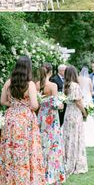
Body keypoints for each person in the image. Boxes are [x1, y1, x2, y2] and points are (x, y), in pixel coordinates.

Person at [0, 56, 46, 185]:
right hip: (25, 119)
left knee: (11, 147)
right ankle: (25, 179)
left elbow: (2, 101)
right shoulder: (29, 84)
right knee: (26, 148)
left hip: (11, 118)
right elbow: (34, 105)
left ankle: (9, 179)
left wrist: (15, 105)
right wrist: (24, 106)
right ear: (28, 68)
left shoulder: (8, 82)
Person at [36, 62, 65, 185]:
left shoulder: (37, 85)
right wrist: (62, 104)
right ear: (51, 72)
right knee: (53, 144)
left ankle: (40, 171)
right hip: (52, 119)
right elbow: (56, 104)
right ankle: (51, 173)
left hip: (41, 116)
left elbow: (36, 104)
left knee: (42, 143)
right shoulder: (53, 85)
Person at [63, 65, 88, 178]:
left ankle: (67, 160)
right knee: (75, 137)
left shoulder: (66, 85)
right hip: (75, 113)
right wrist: (84, 111)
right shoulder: (75, 85)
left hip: (68, 114)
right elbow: (78, 102)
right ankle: (75, 163)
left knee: (68, 137)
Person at [79, 66, 94, 147]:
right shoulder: (89, 80)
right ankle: (89, 138)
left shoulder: (78, 79)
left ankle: (80, 137)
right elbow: (91, 90)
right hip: (88, 100)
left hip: (81, 99)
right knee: (90, 119)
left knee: (80, 117)